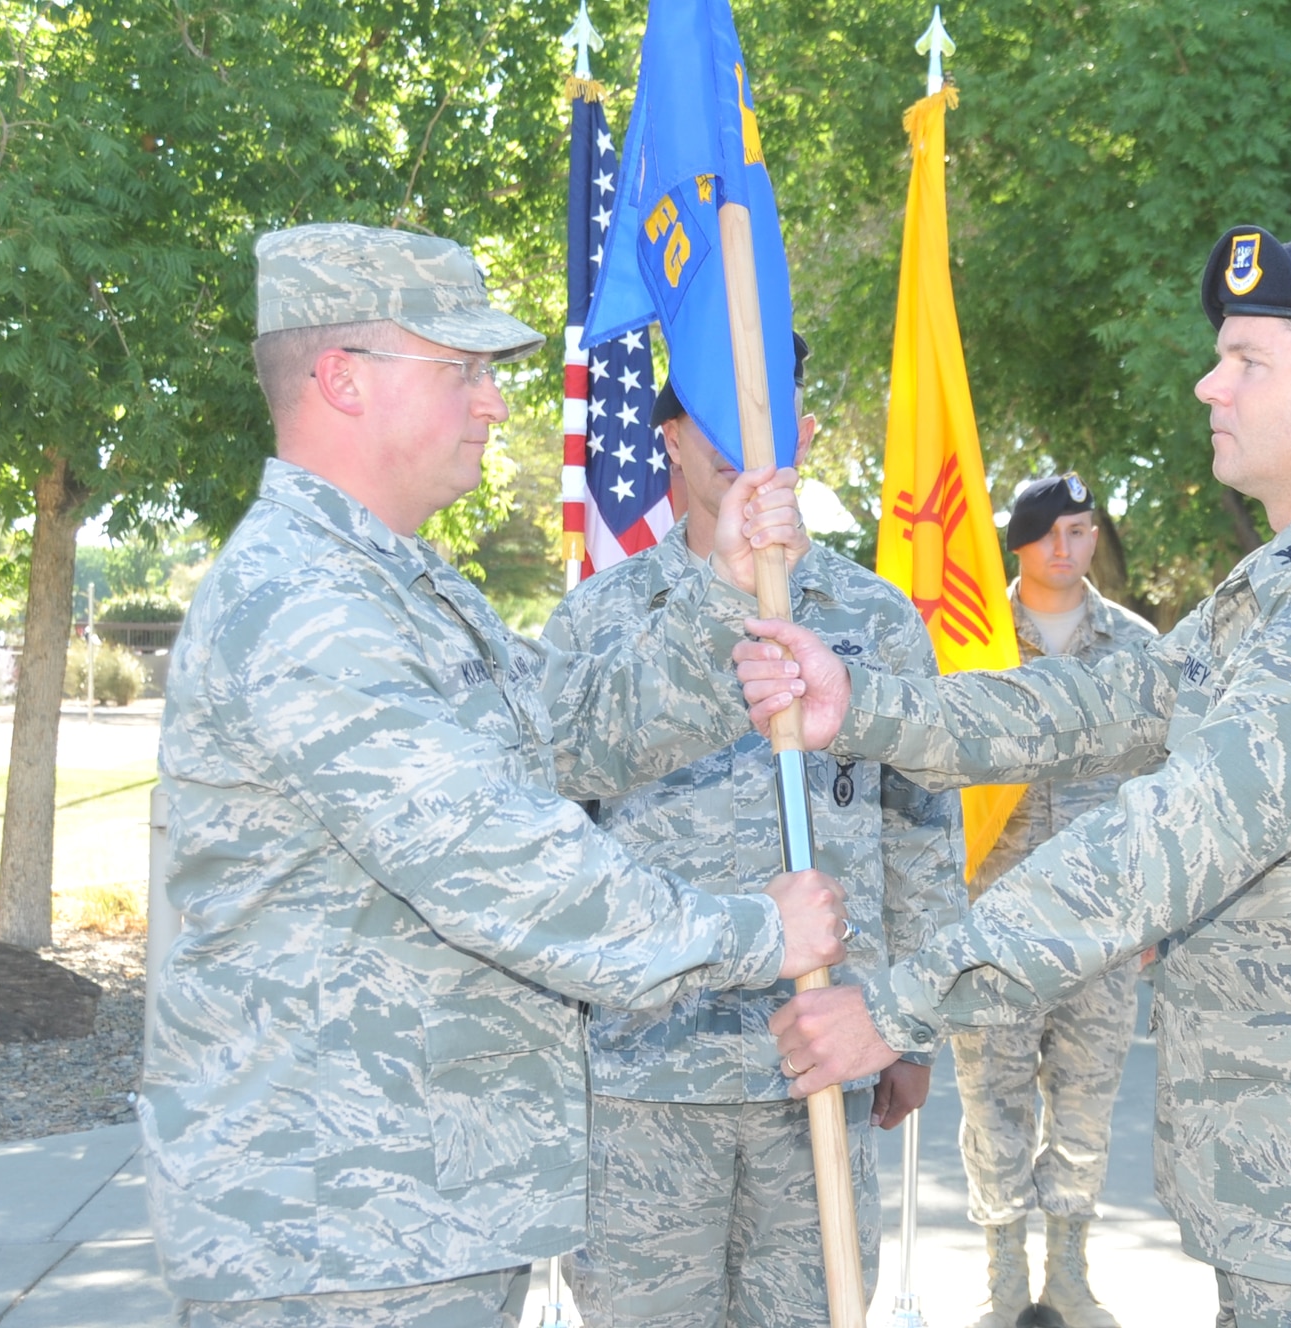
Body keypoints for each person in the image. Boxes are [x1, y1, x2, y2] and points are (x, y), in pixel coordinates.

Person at [740, 226, 1291, 1328]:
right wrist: (869, 706)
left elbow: (1167, 838)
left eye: (1246, 360)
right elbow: (1106, 703)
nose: (1206, 381)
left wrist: (893, 1001)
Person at [141, 222, 847, 1328]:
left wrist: (718, 596)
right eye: (461, 369)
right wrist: (757, 934)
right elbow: (498, 858)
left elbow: (565, 730)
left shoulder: (399, 580)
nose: (495, 401)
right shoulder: (308, 603)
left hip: (409, 1212)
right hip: (337, 1229)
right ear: (342, 379)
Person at [541, 336, 967, 1327]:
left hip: (818, 1058)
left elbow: (919, 824)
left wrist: (911, 1020)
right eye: (717, 416)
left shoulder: (876, 618)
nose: (743, 441)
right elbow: (550, 841)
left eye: (768, 415)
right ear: (670, 437)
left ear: (806, 434)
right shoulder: (601, 621)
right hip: (643, 1071)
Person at [952, 473, 1160, 1328]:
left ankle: (1068, 1272)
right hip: (995, 923)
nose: (1066, 549)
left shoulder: (1139, 646)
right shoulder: (972, 635)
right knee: (990, 1105)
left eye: (1080, 530)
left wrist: (1156, 910)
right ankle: (1004, 1275)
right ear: (1018, 544)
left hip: (1101, 929)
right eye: (1048, 533)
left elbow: (1168, 784)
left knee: (1082, 1107)